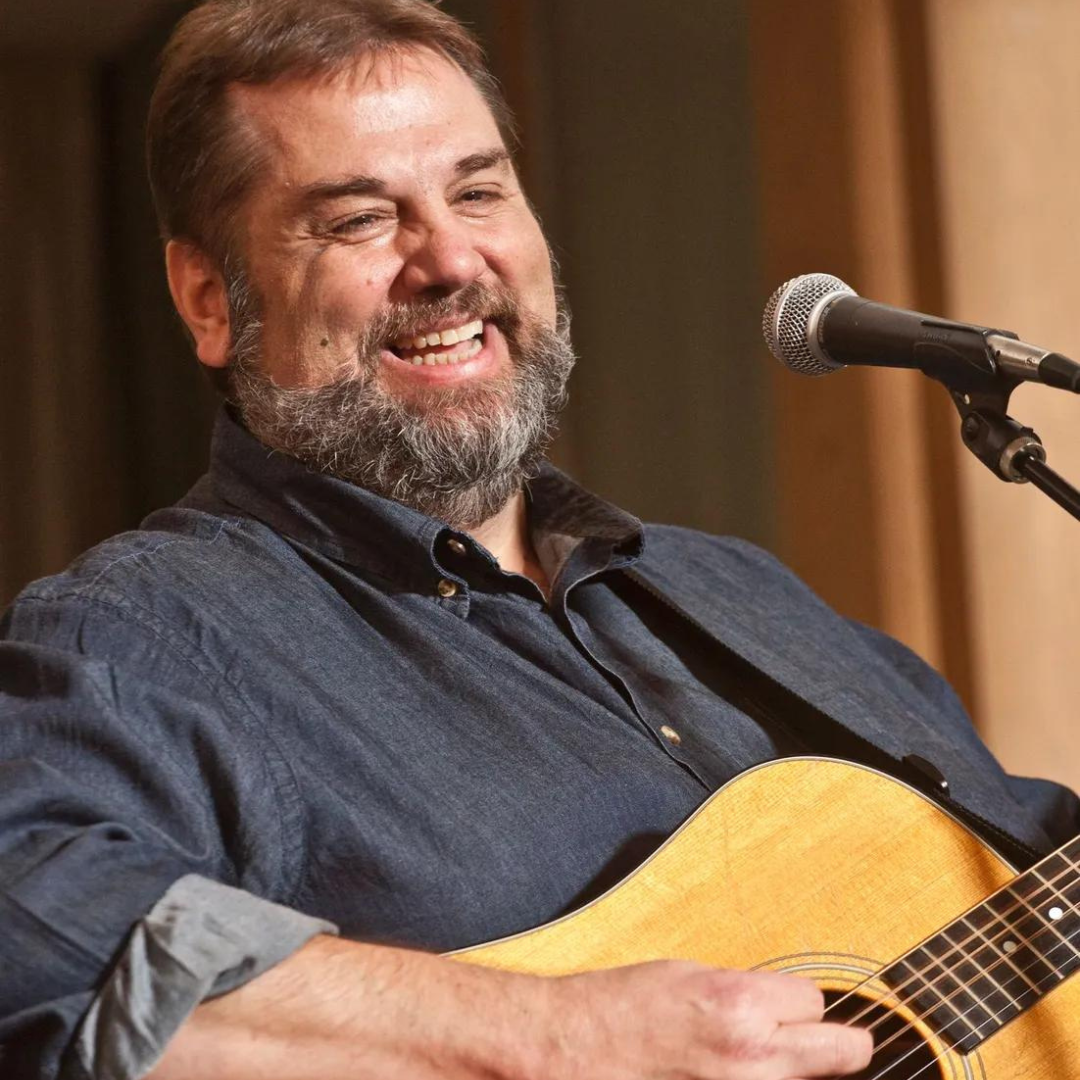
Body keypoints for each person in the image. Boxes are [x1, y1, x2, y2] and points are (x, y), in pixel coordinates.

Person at [1, 1, 1076, 1078]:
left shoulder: (749, 598)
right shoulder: (140, 636)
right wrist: (548, 1034)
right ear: (208, 300)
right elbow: (38, 945)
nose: (450, 261)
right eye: (360, 219)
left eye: (478, 191)